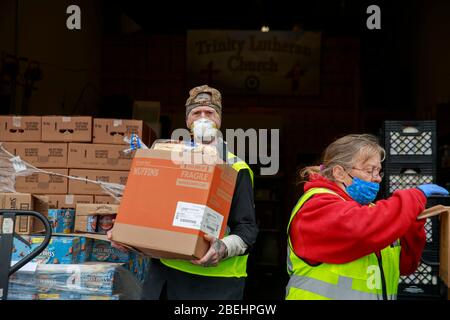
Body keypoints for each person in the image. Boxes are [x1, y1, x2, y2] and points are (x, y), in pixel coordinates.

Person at [111, 85, 258, 300]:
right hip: (165, 277)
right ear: (188, 121)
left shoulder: (236, 168)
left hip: (214, 284)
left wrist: (222, 248)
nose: (203, 118)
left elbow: (247, 229)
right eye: (196, 113)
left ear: (219, 120)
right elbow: (152, 211)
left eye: (210, 112)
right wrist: (126, 233)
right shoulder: (169, 160)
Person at [286, 134, 449, 300]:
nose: (377, 178)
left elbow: (406, 265)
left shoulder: (368, 211)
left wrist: (412, 221)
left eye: (379, 171)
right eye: (370, 170)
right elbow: (360, 229)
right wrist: (413, 198)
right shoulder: (315, 207)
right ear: (339, 173)